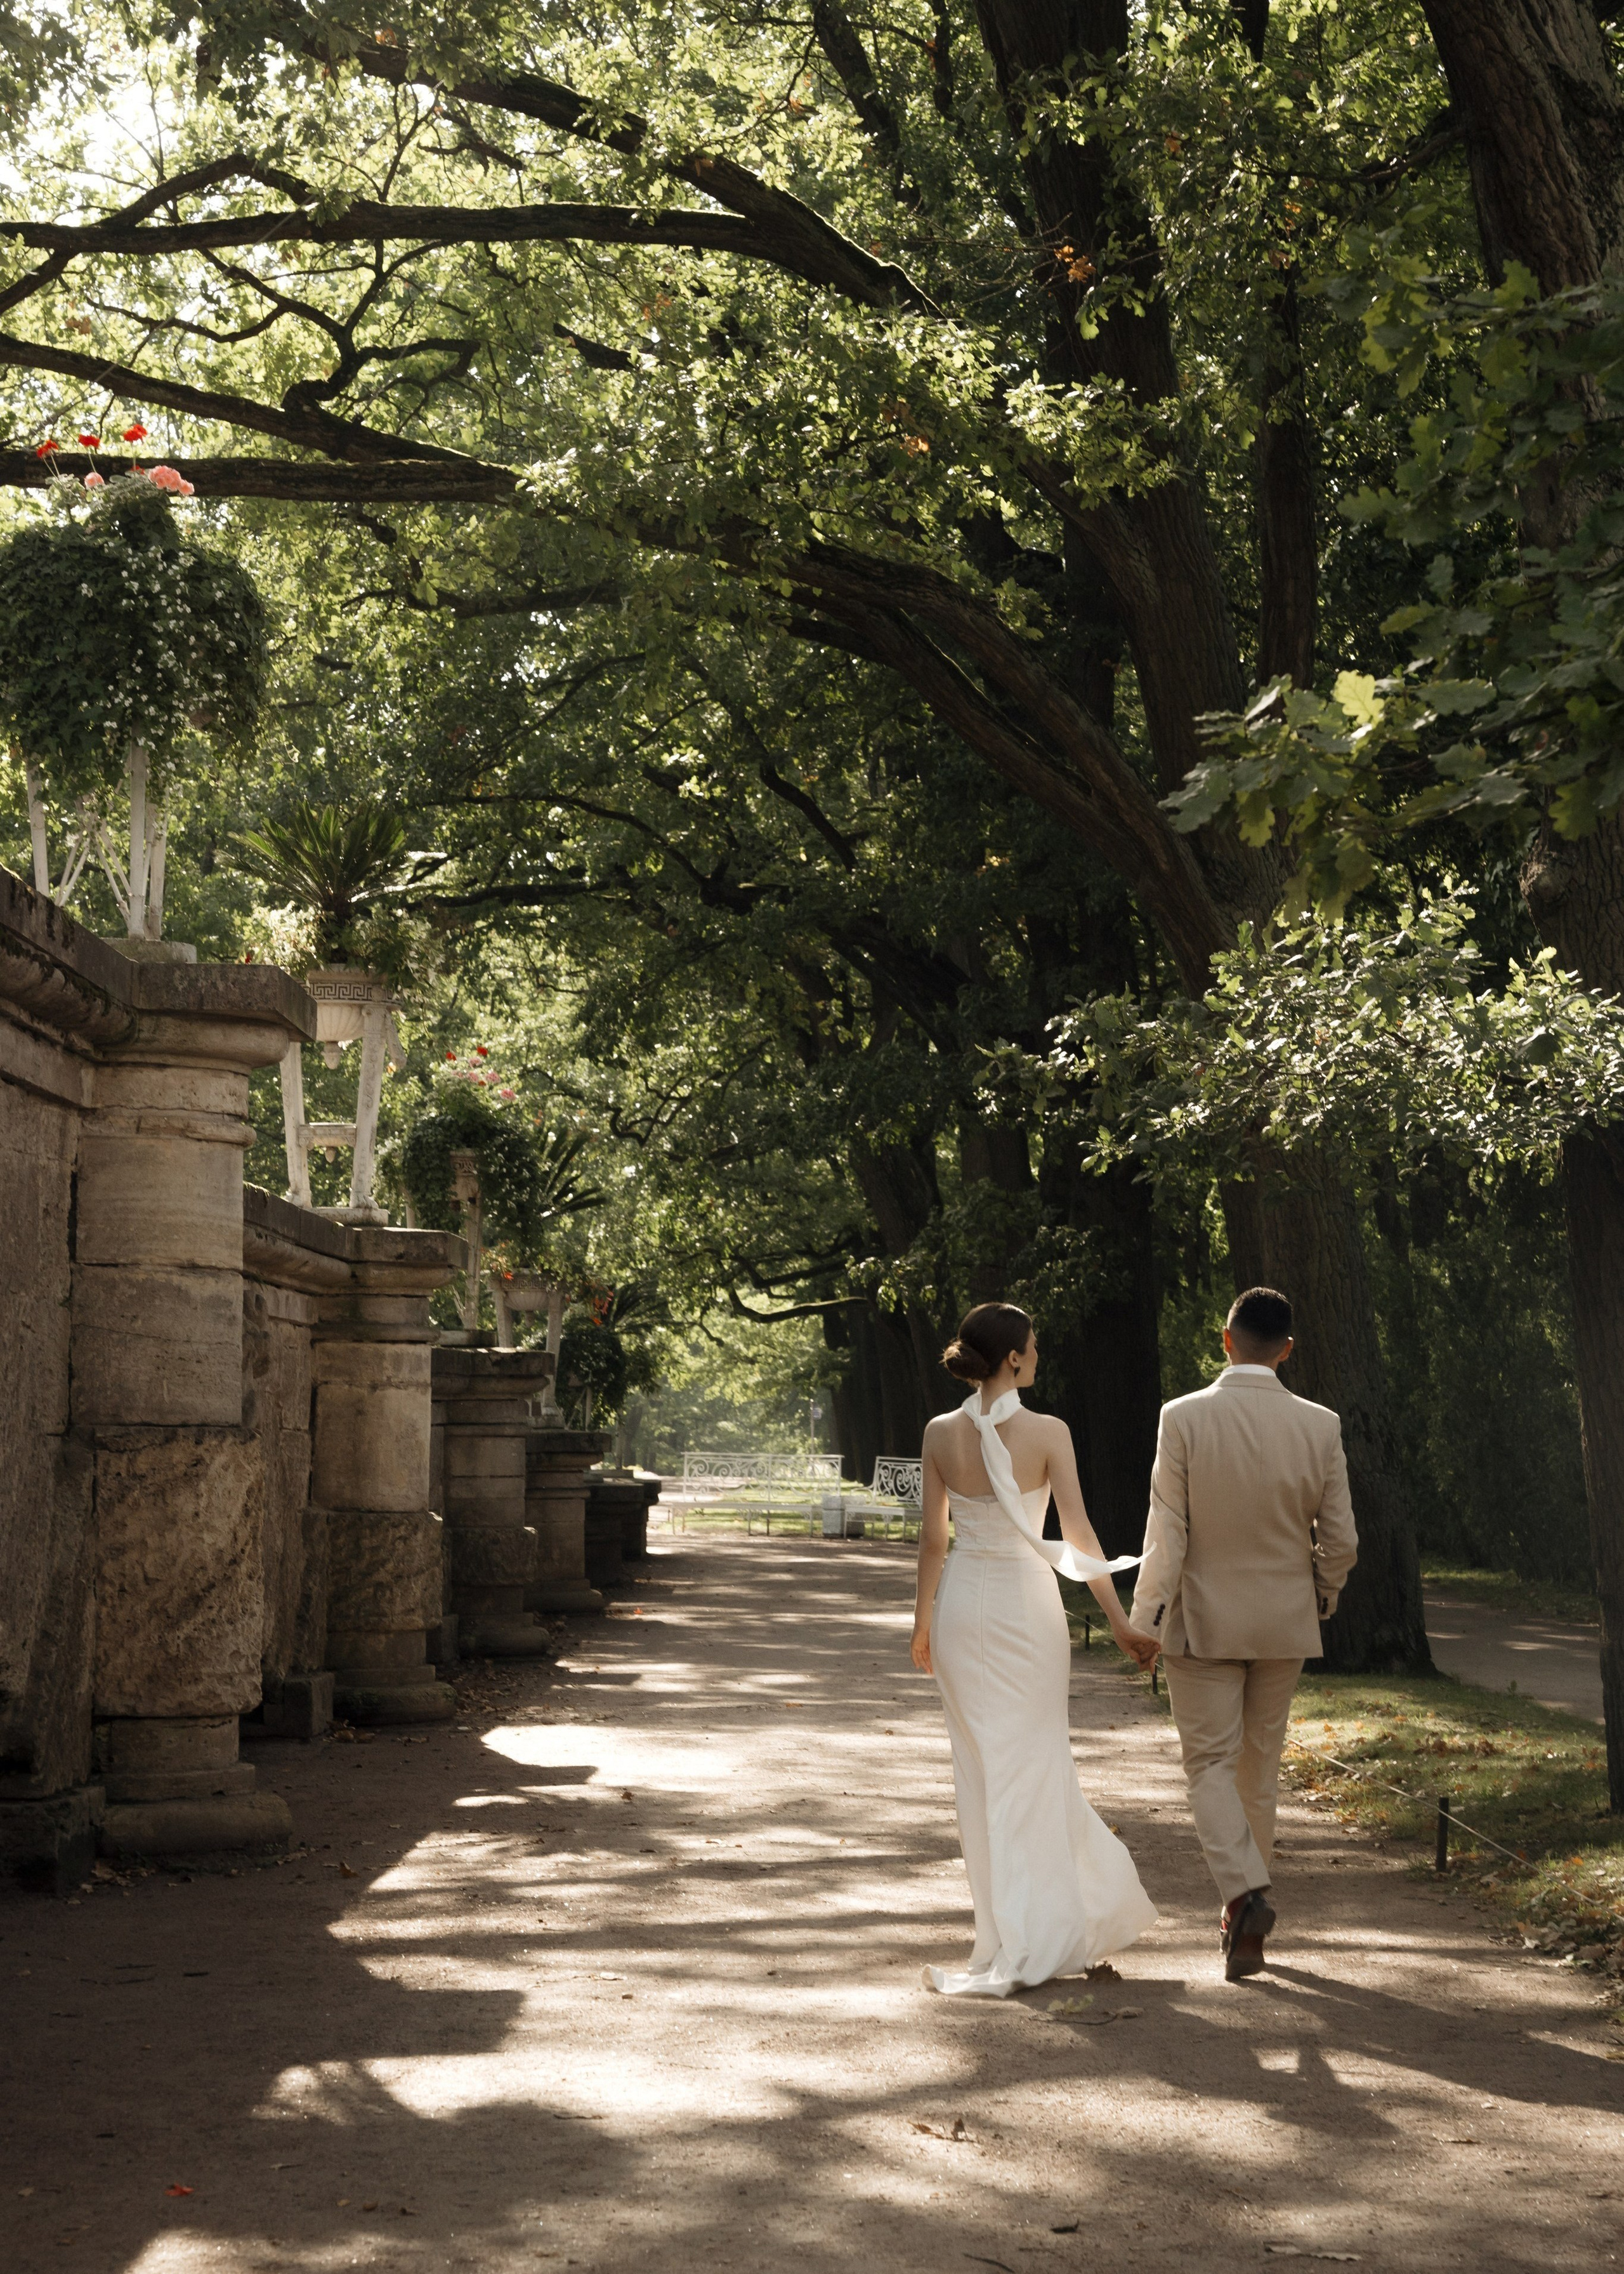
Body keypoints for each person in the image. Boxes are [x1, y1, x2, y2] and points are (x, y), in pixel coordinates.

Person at [911, 1301, 1160, 1997]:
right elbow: (1078, 1536)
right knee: (1035, 1761)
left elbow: (933, 1540)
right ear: (1014, 1358)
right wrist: (1118, 1621)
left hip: (962, 1607)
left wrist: (921, 1624)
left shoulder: (939, 1433)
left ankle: (1002, 1933)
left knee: (980, 1773)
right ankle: (1036, 1931)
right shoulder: (1049, 1432)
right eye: (1035, 1345)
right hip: (1025, 1607)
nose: (1040, 1354)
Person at [1125, 1285, 1358, 1982]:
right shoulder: (1320, 1425)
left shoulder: (1183, 1417)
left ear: (1225, 1340)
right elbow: (1341, 1538)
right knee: (1258, 1769)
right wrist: (1321, 1594)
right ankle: (1243, 1928)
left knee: (1209, 1766)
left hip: (1202, 1621)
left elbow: (1167, 1531)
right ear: (1287, 1350)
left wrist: (1145, 1620)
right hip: (1285, 1621)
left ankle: (1244, 1895)